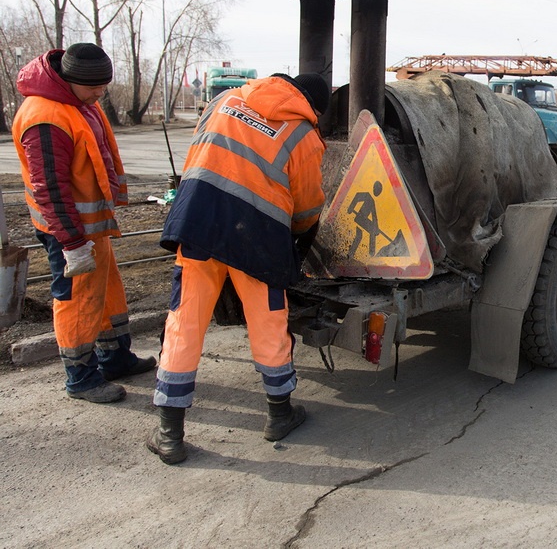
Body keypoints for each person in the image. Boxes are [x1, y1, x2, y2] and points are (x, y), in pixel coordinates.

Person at [147, 72, 328, 465]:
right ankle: (279, 415)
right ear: (313, 106)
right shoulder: (304, 135)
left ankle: (169, 434)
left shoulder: (224, 100)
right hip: (258, 238)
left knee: (185, 322)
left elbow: (199, 153)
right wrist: (298, 236)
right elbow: (309, 205)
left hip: (199, 223)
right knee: (268, 321)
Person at [12, 43, 157, 403]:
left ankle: (115, 359)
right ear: (68, 80)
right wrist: (72, 243)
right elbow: (50, 188)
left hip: (91, 226)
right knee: (76, 300)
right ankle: (80, 378)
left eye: (104, 86)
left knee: (106, 294)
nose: (100, 93)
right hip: (69, 232)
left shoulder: (79, 104)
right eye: (93, 87)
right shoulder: (45, 117)